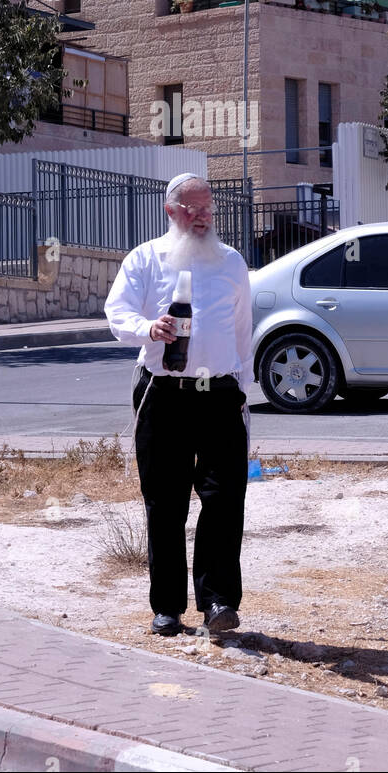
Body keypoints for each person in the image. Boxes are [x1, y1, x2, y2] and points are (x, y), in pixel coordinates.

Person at [104, 173, 253, 637]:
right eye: (193, 209)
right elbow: (117, 312)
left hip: (220, 396)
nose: (204, 216)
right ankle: (167, 606)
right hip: (164, 395)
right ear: (171, 212)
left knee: (225, 499)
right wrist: (149, 328)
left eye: (209, 208)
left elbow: (242, 330)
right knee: (165, 504)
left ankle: (219, 602)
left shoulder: (231, 263)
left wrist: (244, 392)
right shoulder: (145, 259)